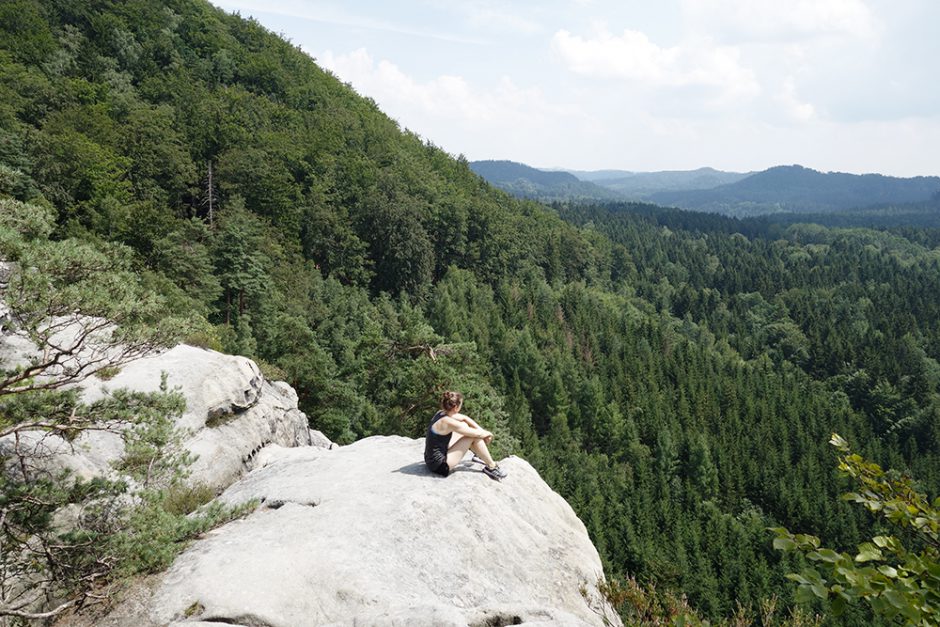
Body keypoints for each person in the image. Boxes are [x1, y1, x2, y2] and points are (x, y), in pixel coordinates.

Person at [424, 391, 507, 480]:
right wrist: (488, 434)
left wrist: (482, 430)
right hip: (439, 466)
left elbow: (464, 418)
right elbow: (477, 434)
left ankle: (480, 454)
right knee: (473, 437)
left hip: (429, 458)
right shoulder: (448, 422)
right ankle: (491, 467)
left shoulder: (440, 413)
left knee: (465, 426)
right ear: (456, 407)